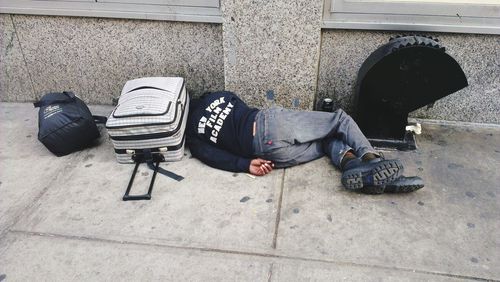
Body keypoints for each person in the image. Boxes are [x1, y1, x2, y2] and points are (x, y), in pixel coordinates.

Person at [186, 91, 424, 194]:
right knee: (339, 120)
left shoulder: (194, 136)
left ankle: (354, 165)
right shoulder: (219, 96)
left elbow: (211, 157)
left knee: (324, 143)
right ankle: (372, 159)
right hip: (268, 123)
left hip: (266, 153)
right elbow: (243, 105)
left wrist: (245, 164)